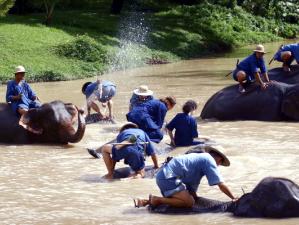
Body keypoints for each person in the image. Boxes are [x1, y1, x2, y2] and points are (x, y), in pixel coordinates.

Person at [134, 146, 237, 208]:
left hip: (164, 176)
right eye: (220, 162)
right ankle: (157, 199)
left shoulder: (198, 160)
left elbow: (192, 183)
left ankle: (144, 202)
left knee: (188, 199)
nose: (218, 165)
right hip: (168, 178)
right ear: (217, 158)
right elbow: (220, 183)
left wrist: (193, 195)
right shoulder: (208, 160)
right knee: (189, 202)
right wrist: (234, 198)